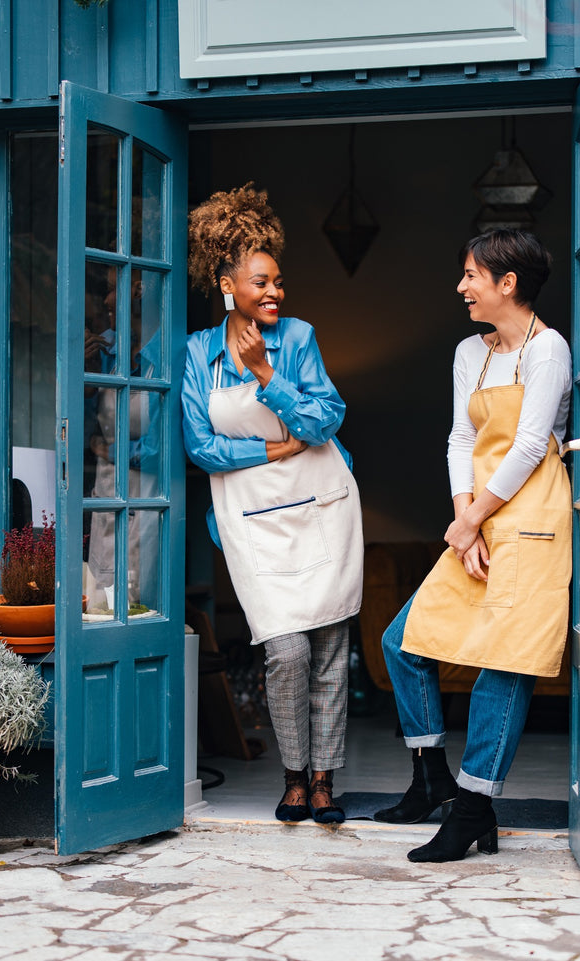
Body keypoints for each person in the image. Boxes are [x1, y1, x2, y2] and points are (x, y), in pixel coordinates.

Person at [376, 228, 572, 862]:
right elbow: (462, 440)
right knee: (401, 642)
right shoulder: (470, 352)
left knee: (506, 665)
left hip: (534, 517)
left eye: (470, 276)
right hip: (480, 520)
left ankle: (473, 808)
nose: (461, 287)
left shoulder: (549, 351)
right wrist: (466, 523)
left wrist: (475, 519)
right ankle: (429, 774)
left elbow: (527, 446)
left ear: (505, 284)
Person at [181, 184, 364, 824]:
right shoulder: (197, 354)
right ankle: (292, 772)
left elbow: (325, 418)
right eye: (261, 282)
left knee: (331, 652)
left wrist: (266, 376)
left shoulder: (298, 339)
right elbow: (200, 446)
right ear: (227, 283)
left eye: (279, 282)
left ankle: (321, 781)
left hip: (321, 508)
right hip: (252, 521)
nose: (274, 293)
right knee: (286, 651)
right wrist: (270, 454)